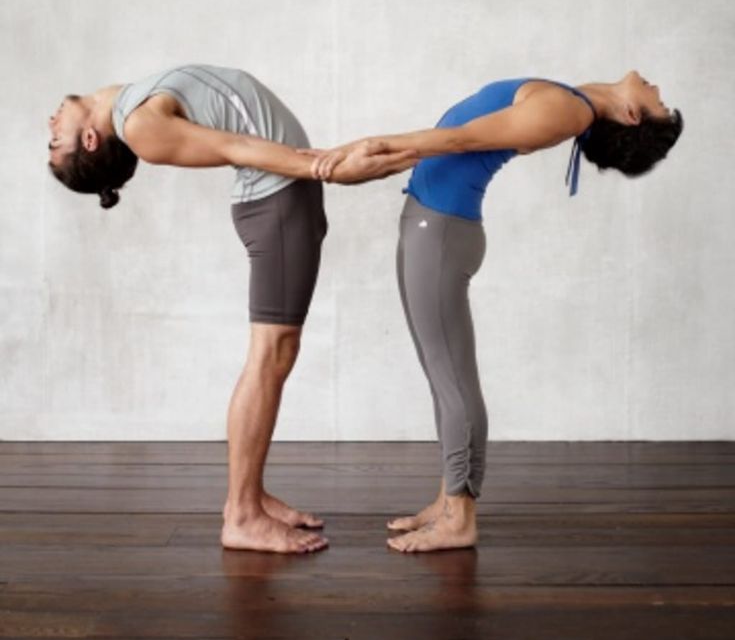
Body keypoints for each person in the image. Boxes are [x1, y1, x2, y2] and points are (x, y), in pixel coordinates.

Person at [309, 70, 684, 553]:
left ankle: (460, 517)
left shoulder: (567, 111)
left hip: (441, 234)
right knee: (441, 375)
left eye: (659, 101)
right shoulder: (570, 102)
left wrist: (371, 145)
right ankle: (447, 498)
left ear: (632, 116)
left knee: (453, 379)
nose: (656, 87)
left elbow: (460, 139)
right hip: (432, 226)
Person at [47, 64, 415, 554]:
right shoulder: (141, 128)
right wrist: (328, 165)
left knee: (273, 356)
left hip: (284, 198)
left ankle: (251, 496)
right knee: (271, 357)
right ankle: (241, 515)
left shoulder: (129, 105)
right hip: (278, 204)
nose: (48, 129)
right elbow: (233, 147)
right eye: (54, 143)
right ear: (90, 140)